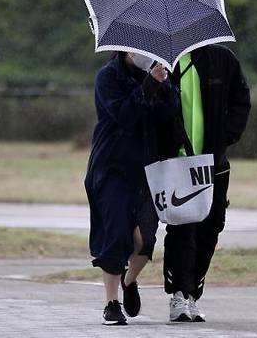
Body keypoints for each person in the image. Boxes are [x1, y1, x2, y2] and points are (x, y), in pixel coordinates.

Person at [84, 51, 179, 325]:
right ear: (126, 49)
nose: (145, 56)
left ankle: (129, 281)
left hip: (146, 171)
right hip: (111, 168)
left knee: (145, 240)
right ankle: (111, 304)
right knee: (115, 236)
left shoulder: (156, 75)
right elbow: (124, 115)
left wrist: (164, 84)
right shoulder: (108, 77)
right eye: (140, 52)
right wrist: (148, 84)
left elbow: (167, 113)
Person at [158, 43, 251, 322]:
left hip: (214, 164)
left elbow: (241, 100)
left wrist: (225, 136)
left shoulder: (222, 59)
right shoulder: (163, 63)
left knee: (211, 226)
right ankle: (178, 294)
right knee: (182, 229)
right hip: (178, 163)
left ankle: (193, 294)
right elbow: (151, 110)